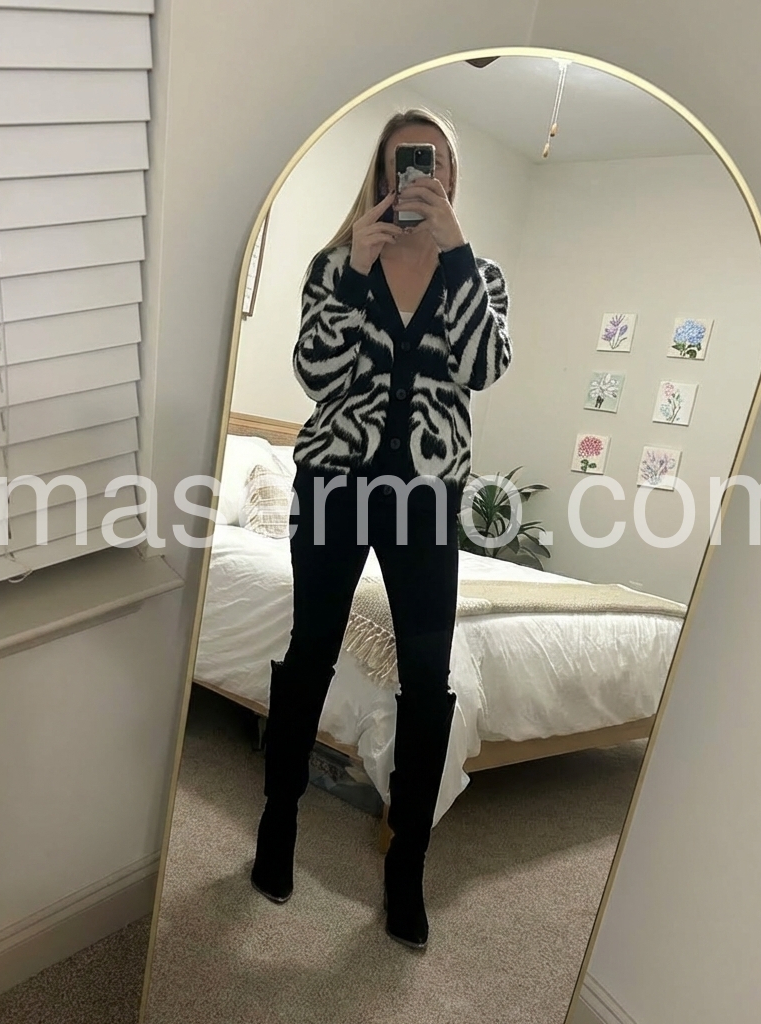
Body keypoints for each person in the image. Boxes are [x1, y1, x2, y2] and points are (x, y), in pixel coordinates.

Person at [250, 108, 512, 950]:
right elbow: (316, 375)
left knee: (428, 680)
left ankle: (408, 865)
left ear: (448, 176)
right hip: (335, 484)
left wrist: (456, 252)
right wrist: (358, 272)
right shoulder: (336, 264)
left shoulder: (479, 274)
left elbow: (483, 367)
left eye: (430, 163)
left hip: (426, 499)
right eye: (404, 162)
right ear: (381, 172)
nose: (417, 175)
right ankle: (278, 824)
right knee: (310, 655)